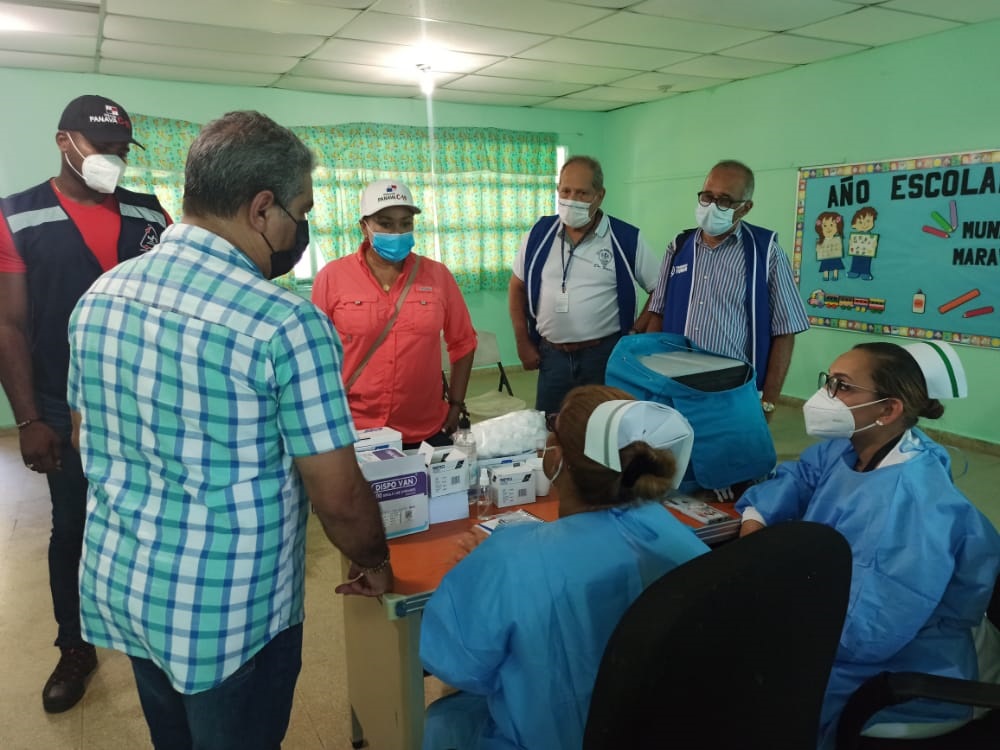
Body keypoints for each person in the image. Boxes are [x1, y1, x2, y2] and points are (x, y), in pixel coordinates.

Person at [66, 110, 392, 749]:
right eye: (302, 212)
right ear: (263, 209)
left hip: (128, 584)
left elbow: (86, 436)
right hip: (228, 615)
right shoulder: (283, 324)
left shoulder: (100, 296)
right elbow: (338, 494)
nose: (302, 229)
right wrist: (375, 559)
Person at [736, 341, 1000, 748]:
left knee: (764, 695)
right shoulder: (859, 444)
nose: (825, 396)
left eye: (842, 386)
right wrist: (756, 518)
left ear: (888, 409)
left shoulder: (905, 506)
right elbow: (802, 475)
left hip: (910, 671)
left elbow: (864, 636)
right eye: (829, 381)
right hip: (848, 619)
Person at [420, 385, 709, 750]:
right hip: (658, 727)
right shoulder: (678, 537)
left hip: (558, 736)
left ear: (556, 460)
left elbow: (455, 662)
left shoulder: (511, 561)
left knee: (445, 720)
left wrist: (475, 572)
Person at [0, 94, 170, 713]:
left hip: (145, 404)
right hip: (61, 403)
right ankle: (75, 646)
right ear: (64, 142)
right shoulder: (17, 216)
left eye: (124, 150)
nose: (115, 161)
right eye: (104, 148)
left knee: (155, 521)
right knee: (72, 526)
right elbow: (10, 327)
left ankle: (155, 635)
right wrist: (29, 419)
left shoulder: (149, 212)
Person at [312, 179, 477, 448]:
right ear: (364, 227)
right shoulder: (332, 277)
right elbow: (315, 354)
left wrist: (456, 404)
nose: (397, 232)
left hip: (423, 428)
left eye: (406, 223)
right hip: (354, 428)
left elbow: (464, 343)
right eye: (386, 224)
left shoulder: (438, 276)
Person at [642, 160, 809, 419]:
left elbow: (785, 331)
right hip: (674, 385)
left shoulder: (765, 253)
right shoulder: (679, 247)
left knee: (729, 458)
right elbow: (658, 314)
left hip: (733, 391)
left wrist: (769, 402)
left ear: (745, 208)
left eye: (724, 201)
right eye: (707, 196)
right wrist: (647, 379)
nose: (712, 206)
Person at [509, 155, 659, 414]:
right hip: (551, 357)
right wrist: (523, 341)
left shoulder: (625, 238)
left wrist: (635, 332)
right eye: (565, 191)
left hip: (603, 357)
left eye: (582, 193)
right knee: (551, 429)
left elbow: (660, 289)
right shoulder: (539, 233)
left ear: (599, 196)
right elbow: (516, 287)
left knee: (604, 428)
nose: (571, 199)